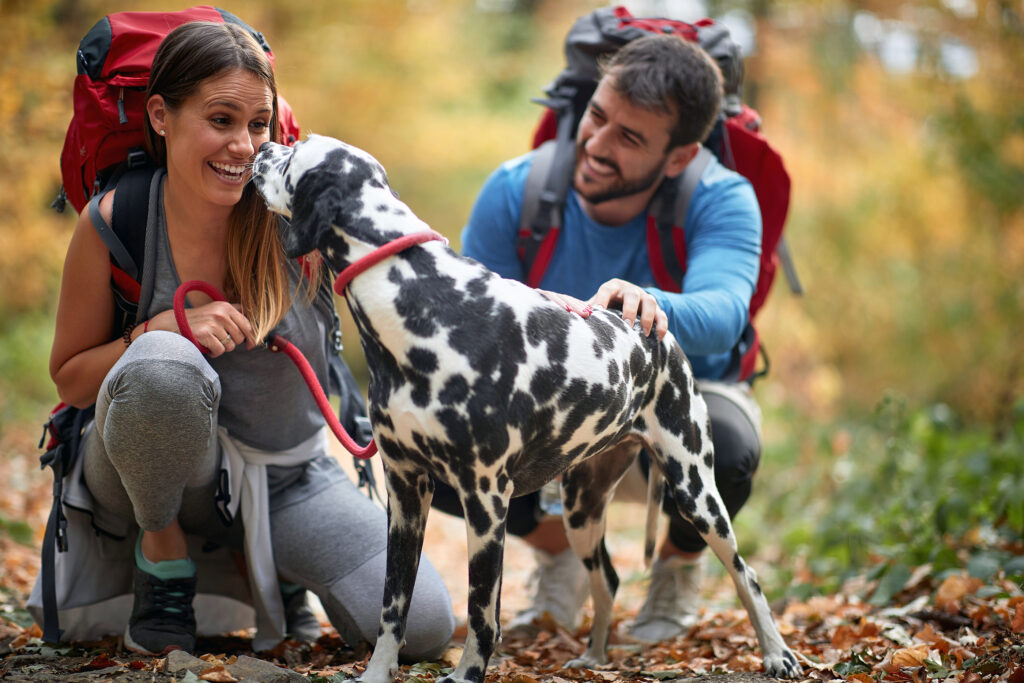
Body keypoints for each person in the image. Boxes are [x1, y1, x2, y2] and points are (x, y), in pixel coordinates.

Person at [37, 21, 454, 659]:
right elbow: (68, 377)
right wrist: (163, 327)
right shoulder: (116, 219)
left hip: (288, 475)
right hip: (145, 476)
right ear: (161, 116)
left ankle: (282, 566)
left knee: (423, 626)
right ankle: (164, 558)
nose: (243, 146)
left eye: (258, 124)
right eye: (221, 119)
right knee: (162, 365)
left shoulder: (299, 213)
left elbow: (412, 280)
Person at [431, 34, 764, 643]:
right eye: (597, 117)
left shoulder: (723, 197)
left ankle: (676, 570)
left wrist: (651, 305)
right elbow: (469, 320)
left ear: (678, 157)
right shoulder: (516, 190)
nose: (597, 145)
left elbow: (725, 313)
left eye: (630, 137)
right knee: (436, 447)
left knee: (734, 448)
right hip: (556, 413)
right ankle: (562, 557)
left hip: (681, 401)